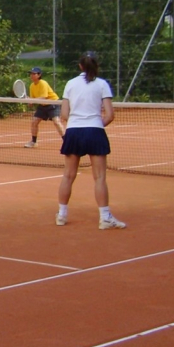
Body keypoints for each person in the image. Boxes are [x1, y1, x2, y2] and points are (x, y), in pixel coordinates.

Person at [56, 52, 125, 230]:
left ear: (80, 66)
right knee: (100, 177)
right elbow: (110, 115)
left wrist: (79, 123)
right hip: (95, 132)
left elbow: (64, 115)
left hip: (74, 132)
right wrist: (95, 125)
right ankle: (104, 218)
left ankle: (62, 215)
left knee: (68, 176)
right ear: (96, 65)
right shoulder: (102, 84)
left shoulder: (70, 84)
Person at [23, 66, 65, 148]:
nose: (31, 75)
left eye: (34, 74)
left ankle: (67, 141)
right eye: (31, 74)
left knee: (56, 122)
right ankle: (34, 142)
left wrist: (32, 100)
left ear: (39, 75)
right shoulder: (32, 86)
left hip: (52, 103)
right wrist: (30, 102)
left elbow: (43, 97)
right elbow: (34, 101)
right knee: (34, 122)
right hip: (42, 106)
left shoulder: (43, 83)